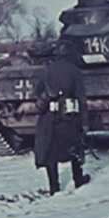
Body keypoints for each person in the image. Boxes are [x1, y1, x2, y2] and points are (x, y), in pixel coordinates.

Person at [34, 40, 90, 194]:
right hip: (69, 116)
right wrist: (85, 122)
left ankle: (54, 186)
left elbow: (37, 91)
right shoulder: (74, 71)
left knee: (51, 151)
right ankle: (78, 179)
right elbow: (81, 98)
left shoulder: (47, 70)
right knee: (74, 147)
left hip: (49, 117)